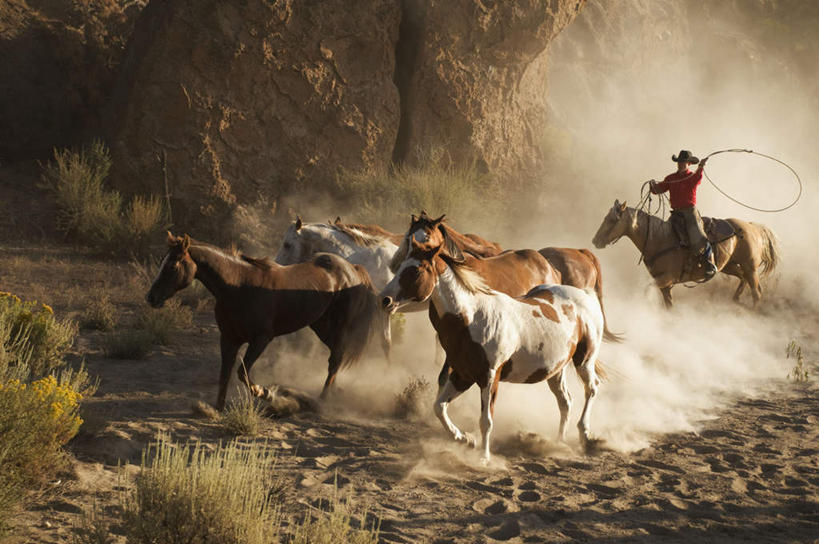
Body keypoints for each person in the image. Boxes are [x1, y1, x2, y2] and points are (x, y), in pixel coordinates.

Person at [649, 149, 718, 279]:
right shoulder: (671, 178)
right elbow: (659, 189)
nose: (681, 164)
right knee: (665, 236)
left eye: (683, 162)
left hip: (689, 212)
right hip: (676, 214)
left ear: (689, 164)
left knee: (698, 235)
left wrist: (701, 166)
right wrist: (653, 187)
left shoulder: (692, 177)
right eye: (679, 162)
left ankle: (710, 263)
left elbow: (698, 177)